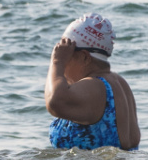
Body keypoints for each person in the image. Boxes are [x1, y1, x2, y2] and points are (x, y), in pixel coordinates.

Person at [45, 13, 140, 151]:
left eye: (65, 52)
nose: (63, 59)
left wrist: (57, 62)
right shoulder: (120, 83)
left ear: (84, 57)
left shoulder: (95, 86)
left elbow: (54, 102)